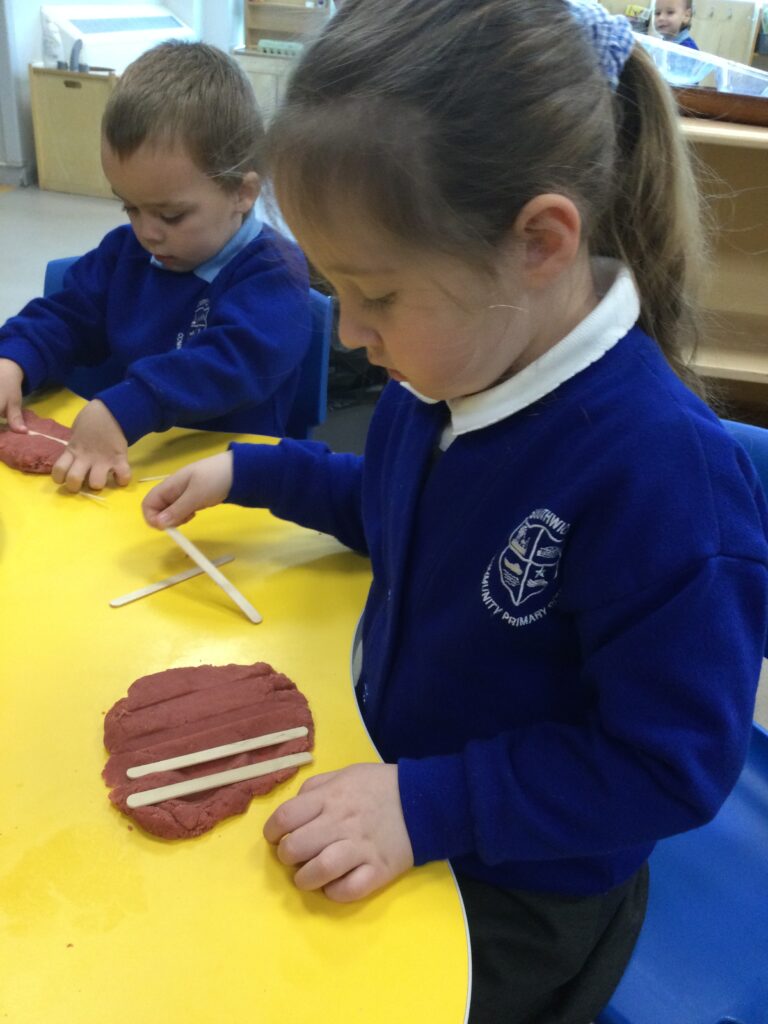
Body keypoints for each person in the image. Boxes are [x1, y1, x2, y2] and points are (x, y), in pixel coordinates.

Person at [142, 2, 768, 1021]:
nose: (349, 333)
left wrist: (427, 805)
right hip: (404, 782)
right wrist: (254, 472)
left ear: (540, 243)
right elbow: (400, 512)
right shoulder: (453, 365)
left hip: (530, 884)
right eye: (336, 288)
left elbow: (668, 764)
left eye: (377, 295)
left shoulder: (665, 480)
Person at [0, 41, 311, 492]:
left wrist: (130, 404)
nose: (147, 233)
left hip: (227, 483)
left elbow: (230, 362)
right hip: (128, 466)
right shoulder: (125, 252)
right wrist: (14, 357)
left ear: (242, 194)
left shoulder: (274, 272)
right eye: (130, 207)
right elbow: (68, 315)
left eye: (171, 215)